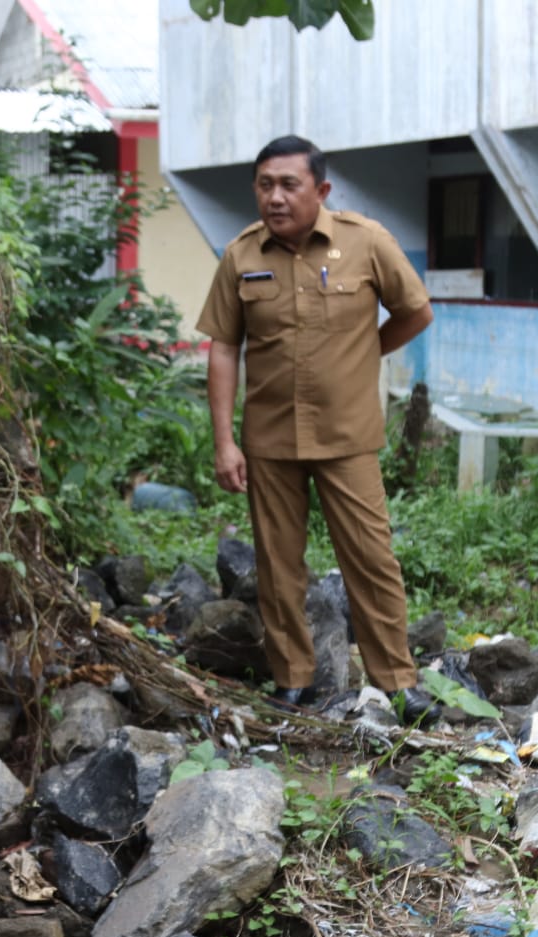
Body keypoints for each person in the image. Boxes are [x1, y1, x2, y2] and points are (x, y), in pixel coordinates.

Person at [196, 135, 436, 722]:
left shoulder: (366, 242)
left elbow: (415, 311)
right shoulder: (241, 256)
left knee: (371, 557)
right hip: (270, 439)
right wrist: (224, 441)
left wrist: (364, 356)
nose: (274, 197)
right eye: (264, 185)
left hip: (347, 433)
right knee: (279, 565)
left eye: (288, 185)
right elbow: (224, 347)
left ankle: (398, 682)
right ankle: (293, 679)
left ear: (321, 190)